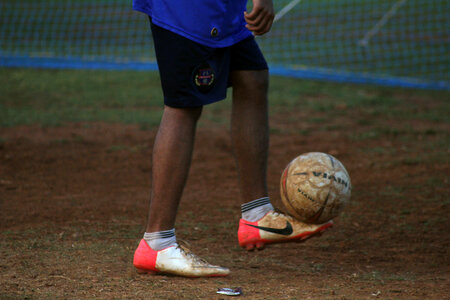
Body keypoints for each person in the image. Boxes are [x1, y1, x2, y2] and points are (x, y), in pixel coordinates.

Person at [132, 0, 333, 277]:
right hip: (190, 7)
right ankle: (158, 242)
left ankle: (257, 216)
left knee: (252, 77)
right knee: (184, 105)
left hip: (225, 7)